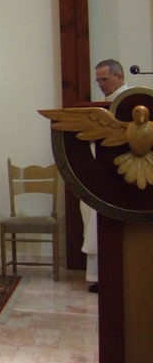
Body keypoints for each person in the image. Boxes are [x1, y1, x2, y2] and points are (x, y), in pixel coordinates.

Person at [80, 58, 129, 293]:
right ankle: (101, 277)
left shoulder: (129, 102)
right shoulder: (102, 104)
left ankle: (118, 277)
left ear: (119, 77)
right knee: (94, 222)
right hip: (99, 172)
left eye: (104, 79)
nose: (100, 84)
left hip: (120, 174)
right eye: (97, 80)